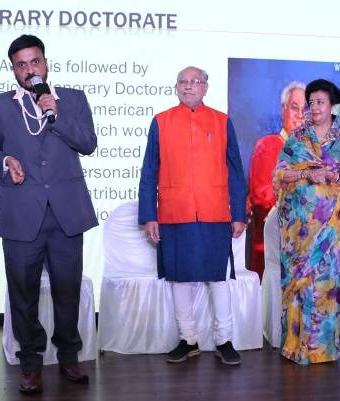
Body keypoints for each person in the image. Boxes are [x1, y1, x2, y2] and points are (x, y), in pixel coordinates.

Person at [0, 34, 97, 394]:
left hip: (66, 214)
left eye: (35, 62)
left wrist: (56, 115)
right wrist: (4, 161)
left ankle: (69, 356)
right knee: (23, 293)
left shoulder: (71, 100)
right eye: (21, 64)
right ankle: (30, 362)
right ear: (13, 69)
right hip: (21, 214)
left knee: (67, 290)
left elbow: (88, 143)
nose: (30, 70)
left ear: (46, 62)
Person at [138, 66, 247, 366]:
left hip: (214, 212)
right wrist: (149, 215)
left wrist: (239, 213)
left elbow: (236, 171)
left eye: (194, 82)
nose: (188, 87)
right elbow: (149, 172)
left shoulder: (222, 122)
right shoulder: (161, 122)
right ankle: (189, 340)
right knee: (179, 279)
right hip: (174, 211)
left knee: (218, 278)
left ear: (205, 88)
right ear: (176, 87)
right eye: (182, 82)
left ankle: (224, 340)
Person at [273, 79, 340, 364]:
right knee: (302, 282)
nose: (314, 107)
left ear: (333, 106)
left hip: (333, 229)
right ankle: (296, 346)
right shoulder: (297, 138)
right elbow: (280, 175)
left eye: (320, 102)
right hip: (301, 229)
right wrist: (306, 175)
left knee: (327, 282)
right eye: (311, 103)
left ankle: (323, 348)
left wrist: (332, 176)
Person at [247, 81, 306, 281]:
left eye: (304, 109)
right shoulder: (268, 145)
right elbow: (261, 195)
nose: (299, 114)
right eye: (294, 107)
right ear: (283, 110)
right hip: (272, 246)